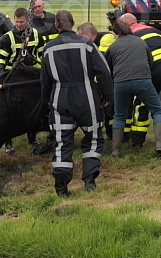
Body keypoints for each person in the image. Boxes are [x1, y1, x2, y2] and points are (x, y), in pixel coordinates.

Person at [41, 10, 114, 197]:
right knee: (94, 137)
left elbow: (44, 80)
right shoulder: (87, 44)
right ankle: (89, 180)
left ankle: (61, 188)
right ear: (73, 23)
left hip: (60, 97)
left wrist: (47, 101)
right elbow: (103, 72)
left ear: (56, 26)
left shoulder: (49, 48)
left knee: (61, 142)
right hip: (86, 96)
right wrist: (108, 97)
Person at [119, 13, 161, 148]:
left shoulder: (129, 36)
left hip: (155, 67)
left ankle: (137, 142)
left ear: (125, 24)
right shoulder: (154, 30)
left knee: (142, 104)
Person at [105, 21, 161, 158]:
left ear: (116, 32)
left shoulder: (113, 46)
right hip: (143, 81)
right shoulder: (141, 42)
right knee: (157, 111)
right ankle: (160, 146)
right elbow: (150, 62)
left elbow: (108, 69)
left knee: (119, 116)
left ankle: (115, 151)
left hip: (121, 84)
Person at [0, 7, 46, 153]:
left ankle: (32, 137)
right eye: (17, 22)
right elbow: (0, 58)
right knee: (11, 111)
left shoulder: (36, 35)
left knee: (34, 109)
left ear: (28, 20)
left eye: (22, 22)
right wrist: (2, 74)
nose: (19, 24)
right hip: (15, 76)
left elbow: (43, 53)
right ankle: (8, 143)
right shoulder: (7, 37)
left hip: (31, 76)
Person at [76, 22, 117, 138]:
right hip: (105, 79)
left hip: (111, 79)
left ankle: (112, 133)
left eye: (80, 36)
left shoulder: (106, 39)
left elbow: (102, 65)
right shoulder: (93, 42)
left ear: (88, 35)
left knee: (110, 107)